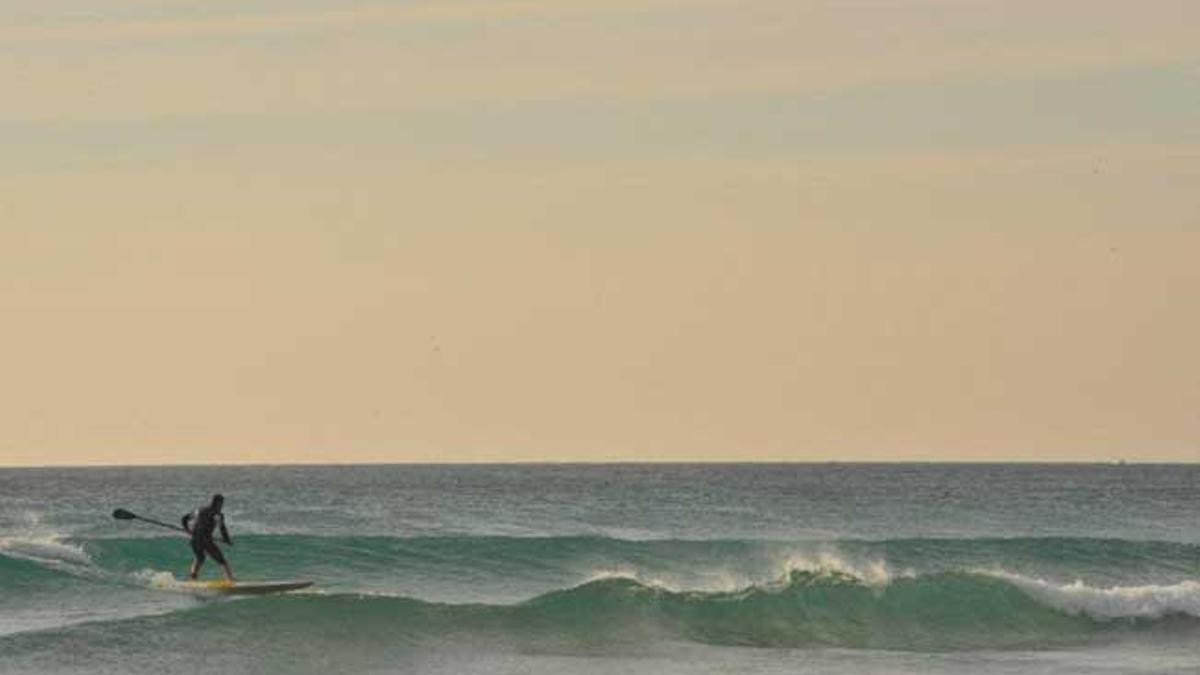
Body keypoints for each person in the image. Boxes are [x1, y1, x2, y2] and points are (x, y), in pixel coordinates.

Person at [182, 493, 235, 581]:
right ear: (218, 503)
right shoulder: (217, 514)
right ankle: (230, 580)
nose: (222, 506)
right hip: (205, 540)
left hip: (194, 539)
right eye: (222, 503)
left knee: (200, 559)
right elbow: (222, 528)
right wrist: (227, 540)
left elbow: (184, 519)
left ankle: (193, 579)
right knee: (222, 561)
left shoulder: (198, 510)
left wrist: (188, 530)